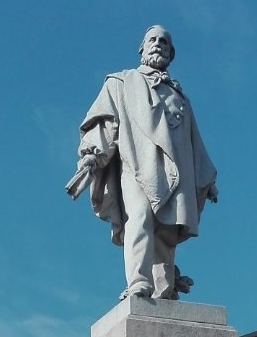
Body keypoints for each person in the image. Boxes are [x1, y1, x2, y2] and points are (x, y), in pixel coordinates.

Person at [68, 26, 218, 301]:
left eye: (164, 41)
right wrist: (92, 154)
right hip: (136, 165)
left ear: (171, 53)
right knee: (139, 218)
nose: (158, 44)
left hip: (175, 171)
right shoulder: (121, 82)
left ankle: (164, 288)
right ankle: (139, 281)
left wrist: (205, 177)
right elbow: (105, 121)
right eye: (153, 39)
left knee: (166, 229)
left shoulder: (180, 97)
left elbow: (194, 140)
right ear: (142, 47)